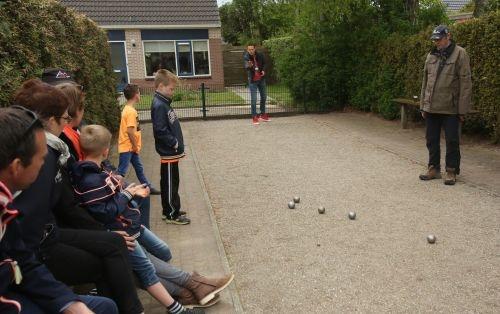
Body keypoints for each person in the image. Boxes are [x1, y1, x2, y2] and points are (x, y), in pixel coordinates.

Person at [11, 79, 145, 314]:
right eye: (65, 118)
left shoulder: (51, 152)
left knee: (118, 243)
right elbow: (31, 243)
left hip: (51, 233)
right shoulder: (43, 159)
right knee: (115, 251)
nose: (68, 124)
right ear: (51, 120)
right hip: (46, 242)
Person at [72, 124, 234, 309]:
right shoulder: (92, 180)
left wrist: (129, 189)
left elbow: (111, 192)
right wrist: (127, 195)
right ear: (106, 150)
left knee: (157, 256)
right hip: (120, 232)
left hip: (128, 227)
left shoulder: (101, 170)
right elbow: (104, 210)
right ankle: (192, 288)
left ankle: (190, 289)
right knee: (146, 269)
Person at [0, 106, 118, 314]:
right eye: (42, 159)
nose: (45, 164)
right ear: (17, 167)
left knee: (105, 307)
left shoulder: (6, 207)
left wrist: (69, 303)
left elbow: (23, 260)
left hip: (20, 290)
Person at [419, 25, 472, 185]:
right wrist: (423, 105)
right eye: (435, 39)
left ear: (448, 36)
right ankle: (433, 169)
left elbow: (466, 83)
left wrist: (462, 110)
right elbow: (425, 82)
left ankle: (451, 171)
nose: (437, 42)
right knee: (431, 139)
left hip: (451, 108)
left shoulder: (460, 53)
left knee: (452, 140)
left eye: (439, 39)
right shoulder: (431, 54)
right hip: (432, 107)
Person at [151, 70, 191, 225]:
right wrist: (174, 143)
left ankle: (170, 208)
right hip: (168, 152)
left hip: (172, 153)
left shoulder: (163, 103)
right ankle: (171, 215)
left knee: (172, 182)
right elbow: (160, 130)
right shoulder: (160, 105)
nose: (173, 92)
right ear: (161, 86)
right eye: (171, 89)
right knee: (169, 183)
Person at [117, 84, 161, 195]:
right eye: (139, 93)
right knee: (121, 172)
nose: (140, 95)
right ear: (136, 95)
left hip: (130, 147)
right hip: (128, 147)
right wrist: (135, 145)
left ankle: (148, 187)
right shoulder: (131, 112)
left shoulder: (127, 109)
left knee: (139, 168)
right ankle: (115, 191)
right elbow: (130, 131)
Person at [244, 44, 270, 125]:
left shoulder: (260, 55)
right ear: (247, 50)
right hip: (253, 81)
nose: (251, 51)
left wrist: (263, 70)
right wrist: (249, 66)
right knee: (254, 99)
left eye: (252, 49)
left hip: (261, 79)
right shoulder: (246, 57)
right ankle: (254, 116)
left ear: (255, 49)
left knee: (264, 97)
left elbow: (265, 64)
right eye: (249, 49)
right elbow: (246, 67)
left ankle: (262, 114)